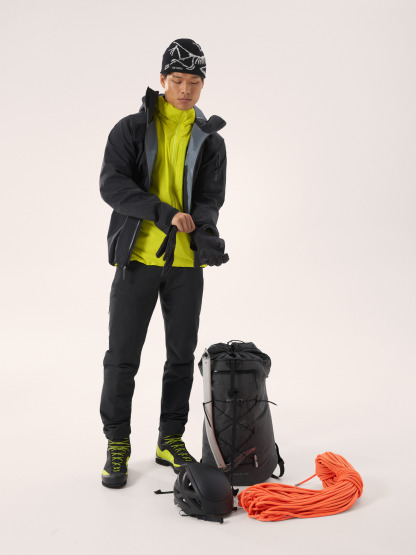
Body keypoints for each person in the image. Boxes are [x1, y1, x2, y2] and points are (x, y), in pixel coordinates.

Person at [99, 38, 229, 488]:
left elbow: (210, 198)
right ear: (161, 80)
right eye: (177, 80)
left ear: (203, 84)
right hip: (138, 258)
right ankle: (117, 442)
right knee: (122, 358)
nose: (185, 90)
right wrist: (164, 213)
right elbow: (113, 186)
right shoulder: (131, 130)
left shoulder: (210, 140)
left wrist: (206, 234)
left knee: (180, 357)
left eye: (194, 82)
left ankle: (169, 438)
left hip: (186, 265)